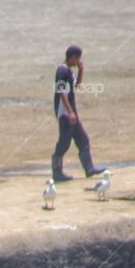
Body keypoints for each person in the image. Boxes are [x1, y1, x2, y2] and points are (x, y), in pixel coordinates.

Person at [52, 45, 105, 182]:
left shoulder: (69, 71)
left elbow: (77, 85)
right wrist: (70, 112)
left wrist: (81, 70)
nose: (78, 61)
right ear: (73, 57)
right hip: (65, 113)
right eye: (78, 59)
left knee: (83, 139)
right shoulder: (62, 71)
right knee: (64, 142)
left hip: (71, 112)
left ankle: (89, 168)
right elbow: (61, 92)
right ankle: (57, 173)